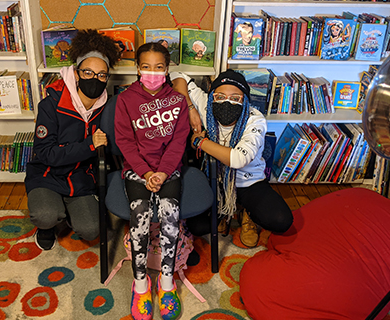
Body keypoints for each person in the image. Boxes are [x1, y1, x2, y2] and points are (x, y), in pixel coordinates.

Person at [171, 70, 293, 248]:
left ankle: (246, 212)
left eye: (235, 97)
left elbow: (238, 159)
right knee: (197, 226)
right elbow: (177, 74)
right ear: (212, 96)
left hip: (249, 183)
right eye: (220, 96)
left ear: (245, 101)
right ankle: (226, 212)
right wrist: (190, 107)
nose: (226, 101)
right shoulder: (206, 105)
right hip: (215, 180)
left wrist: (200, 142)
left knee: (281, 220)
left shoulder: (255, 119)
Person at [24, 29, 120, 251]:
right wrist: (89, 145)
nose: (94, 79)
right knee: (45, 215)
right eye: (88, 72)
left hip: (81, 180)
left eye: (101, 75)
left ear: (107, 78)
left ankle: (67, 212)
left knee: (92, 230)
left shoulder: (108, 107)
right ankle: (47, 225)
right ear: (76, 74)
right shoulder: (51, 105)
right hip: (47, 175)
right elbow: (46, 153)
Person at [114, 42, 189, 320]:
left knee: (171, 212)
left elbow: (179, 142)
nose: (153, 73)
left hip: (168, 169)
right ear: (137, 69)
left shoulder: (178, 101)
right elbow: (124, 142)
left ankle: (166, 284)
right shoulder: (125, 100)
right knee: (140, 213)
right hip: (137, 170)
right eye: (146, 67)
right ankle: (141, 283)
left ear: (167, 70)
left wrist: (163, 172)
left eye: (159, 68)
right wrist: (146, 173)